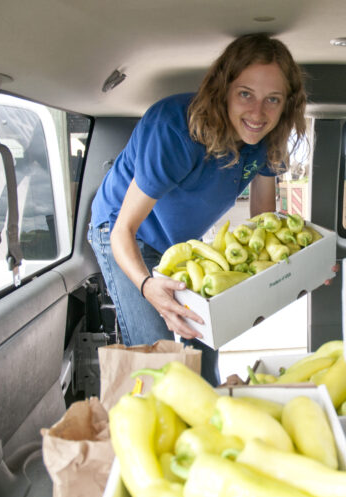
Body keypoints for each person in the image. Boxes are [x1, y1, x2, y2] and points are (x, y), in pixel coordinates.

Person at [87, 33, 307, 386]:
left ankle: (206, 418)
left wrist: (298, 269)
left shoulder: (268, 139)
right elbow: (121, 231)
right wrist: (147, 286)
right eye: (246, 94)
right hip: (126, 232)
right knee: (158, 355)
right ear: (223, 90)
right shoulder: (175, 131)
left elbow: (262, 224)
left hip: (183, 242)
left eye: (273, 99)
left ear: (286, 105)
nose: (257, 112)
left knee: (204, 341)